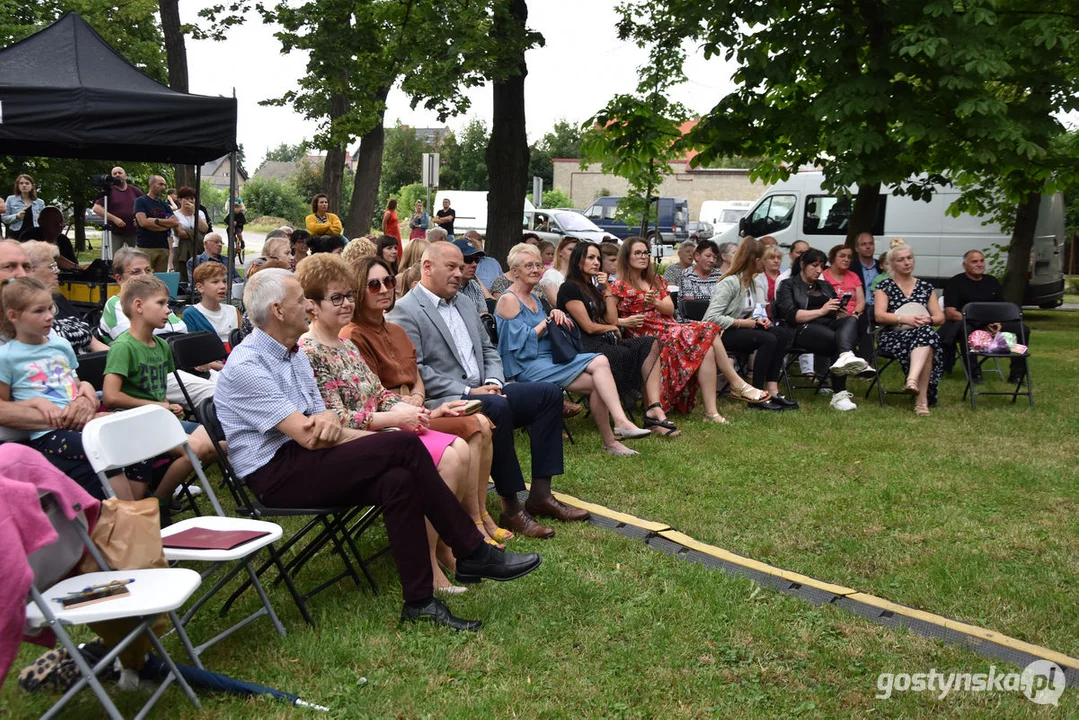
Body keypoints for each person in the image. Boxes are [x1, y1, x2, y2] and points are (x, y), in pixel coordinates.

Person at [217, 268, 542, 631]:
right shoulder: (248, 365)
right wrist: (343, 428)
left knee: (399, 480)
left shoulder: (291, 354)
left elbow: (327, 423)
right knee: (401, 446)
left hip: (305, 456)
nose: (307, 306)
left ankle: (420, 602)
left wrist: (336, 427)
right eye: (300, 301)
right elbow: (309, 434)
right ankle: (472, 550)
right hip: (275, 473)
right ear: (278, 310)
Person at [295, 254, 482, 594]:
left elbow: (380, 394)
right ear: (311, 306)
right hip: (359, 440)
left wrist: (429, 413)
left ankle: (445, 548)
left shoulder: (345, 344)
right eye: (337, 298)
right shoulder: (310, 351)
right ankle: (429, 565)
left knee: (460, 449)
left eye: (348, 295)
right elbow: (337, 418)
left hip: (386, 429)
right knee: (450, 457)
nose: (347, 303)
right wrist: (398, 417)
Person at [389, 242, 587, 539]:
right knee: (496, 408)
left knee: (548, 394)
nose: (460, 273)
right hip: (449, 398)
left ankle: (541, 495)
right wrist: (469, 391)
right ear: (427, 267)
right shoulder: (405, 310)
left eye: (461, 267)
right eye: (452, 267)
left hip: (490, 388)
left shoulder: (466, 302)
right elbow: (417, 370)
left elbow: (489, 351)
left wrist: (494, 383)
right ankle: (511, 507)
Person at [343, 255, 511, 548]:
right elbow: (372, 396)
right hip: (390, 419)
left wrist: (419, 399)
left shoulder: (393, 329)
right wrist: (419, 407)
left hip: (415, 408)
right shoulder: (353, 336)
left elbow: (416, 373)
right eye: (374, 284)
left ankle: (479, 515)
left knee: (483, 421)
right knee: (476, 423)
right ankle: (466, 523)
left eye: (389, 281)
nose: (384, 289)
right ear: (358, 289)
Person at [497, 243, 650, 456]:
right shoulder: (508, 299)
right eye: (528, 266)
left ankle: (611, 441)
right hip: (525, 365)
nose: (535, 270)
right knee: (600, 360)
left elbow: (547, 330)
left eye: (538, 265)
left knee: (598, 381)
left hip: (548, 359)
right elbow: (518, 345)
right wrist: (548, 321)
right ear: (514, 272)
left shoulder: (534, 298)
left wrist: (559, 318)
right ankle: (621, 421)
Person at [0, 277, 140, 500]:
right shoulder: (7, 357)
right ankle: (126, 513)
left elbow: (71, 383)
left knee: (137, 441)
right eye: (38, 311)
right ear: (14, 316)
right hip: (49, 435)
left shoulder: (61, 346)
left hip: (83, 422)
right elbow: (3, 404)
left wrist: (84, 386)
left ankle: (140, 508)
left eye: (50, 308)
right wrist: (35, 402)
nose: (49, 316)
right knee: (104, 449)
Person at [608, 237, 768, 422]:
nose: (643, 257)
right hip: (644, 334)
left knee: (707, 345)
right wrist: (626, 321)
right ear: (626, 257)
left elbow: (669, 309)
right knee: (708, 329)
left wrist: (655, 302)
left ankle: (711, 412)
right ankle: (736, 383)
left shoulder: (656, 281)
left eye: (645, 252)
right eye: (638, 253)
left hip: (668, 327)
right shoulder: (618, 286)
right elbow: (611, 320)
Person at [102, 275, 218, 515]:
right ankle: (160, 501)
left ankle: (160, 488)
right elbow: (111, 397)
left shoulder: (161, 346)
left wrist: (168, 406)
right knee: (195, 450)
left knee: (218, 441)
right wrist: (157, 406)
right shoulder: (124, 347)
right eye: (162, 303)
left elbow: (159, 389)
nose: (168, 310)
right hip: (131, 423)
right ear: (138, 306)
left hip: (159, 420)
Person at [558, 241, 677, 437]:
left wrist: (606, 288)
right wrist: (613, 327)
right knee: (622, 353)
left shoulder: (593, 287)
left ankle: (653, 409)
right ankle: (628, 419)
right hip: (585, 345)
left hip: (605, 340)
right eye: (590, 258)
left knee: (650, 343)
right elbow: (588, 326)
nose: (596, 262)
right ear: (578, 260)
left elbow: (611, 318)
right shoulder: (569, 288)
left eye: (598, 258)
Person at [99, 248, 218, 408]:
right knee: (216, 393)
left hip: (181, 363)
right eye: (136, 272)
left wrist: (204, 360)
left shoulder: (158, 308)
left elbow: (182, 332)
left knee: (233, 387)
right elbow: (138, 345)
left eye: (148, 270)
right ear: (119, 278)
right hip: (152, 371)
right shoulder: (116, 306)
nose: (144, 276)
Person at [774, 248, 875, 412]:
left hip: (826, 324)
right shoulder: (788, 285)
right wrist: (822, 310)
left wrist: (838, 312)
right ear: (802, 264)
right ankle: (840, 392)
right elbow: (792, 316)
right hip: (800, 329)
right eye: (814, 265)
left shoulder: (825, 286)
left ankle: (845, 356)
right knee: (838, 340)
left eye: (821, 266)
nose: (819, 270)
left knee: (850, 319)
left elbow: (833, 313)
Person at [703, 237, 796, 412]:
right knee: (768, 339)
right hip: (722, 334)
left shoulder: (750, 282)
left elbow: (749, 311)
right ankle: (757, 395)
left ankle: (772, 389)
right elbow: (710, 318)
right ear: (756, 260)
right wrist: (743, 323)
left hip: (742, 329)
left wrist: (758, 319)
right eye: (764, 258)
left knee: (781, 334)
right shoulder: (729, 282)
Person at [874, 239, 945, 416]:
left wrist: (926, 319)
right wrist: (905, 319)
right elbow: (880, 316)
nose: (907, 262)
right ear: (891, 264)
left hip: (920, 333)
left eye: (909, 258)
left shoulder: (925, 287)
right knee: (927, 340)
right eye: (901, 259)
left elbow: (940, 317)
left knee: (925, 335)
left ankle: (913, 383)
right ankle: (921, 400)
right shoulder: (884, 286)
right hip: (893, 334)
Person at [939, 249, 1029, 383]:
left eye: (981, 261)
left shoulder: (992, 282)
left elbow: (1002, 308)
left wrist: (1000, 324)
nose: (979, 264)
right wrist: (976, 322)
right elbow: (950, 312)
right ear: (965, 265)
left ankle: (1017, 373)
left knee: (1023, 329)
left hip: (992, 324)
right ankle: (974, 373)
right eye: (974, 261)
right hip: (967, 323)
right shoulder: (955, 283)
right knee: (965, 330)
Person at [22, 241, 108, 355]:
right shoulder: (22, 308)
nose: (57, 271)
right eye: (51, 267)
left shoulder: (58, 298)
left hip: (90, 363)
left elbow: (93, 342)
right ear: (30, 270)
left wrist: (116, 357)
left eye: (56, 266)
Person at [182, 263, 242, 345]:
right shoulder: (191, 314)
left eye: (224, 281)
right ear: (200, 287)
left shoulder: (233, 311)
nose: (223, 286)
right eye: (215, 282)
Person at [92, 167, 144, 253]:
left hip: (134, 232)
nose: (117, 175)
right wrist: (114, 219)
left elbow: (145, 206)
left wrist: (139, 219)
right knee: (115, 258)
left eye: (120, 173)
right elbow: (96, 208)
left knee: (136, 257)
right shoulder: (108, 191)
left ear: (125, 176)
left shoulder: (135, 191)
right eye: (115, 174)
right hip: (115, 233)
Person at [132, 175, 178, 272]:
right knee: (143, 278)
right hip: (145, 247)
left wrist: (155, 220)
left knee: (159, 281)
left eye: (164, 185)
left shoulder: (164, 204)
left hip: (163, 248)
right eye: (160, 184)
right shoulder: (141, 201)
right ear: (151, 184)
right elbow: (143, 222)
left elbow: (174, 222)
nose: (163, 187)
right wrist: (165, 226)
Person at [451, 239, 493, 318]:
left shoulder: (475, 286)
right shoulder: (445, 287)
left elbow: (483, 318)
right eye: (468, 259)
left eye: (477, 260)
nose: (474, 264)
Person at [823, 244, 866, 320]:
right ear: (833, 258)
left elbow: (861, 301)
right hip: (831, 317)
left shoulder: (854, 276)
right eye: (842, 256)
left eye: (849, 257)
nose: (846, 259)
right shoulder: (823, 276)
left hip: (852, 317)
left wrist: (854, 314)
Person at [538, 237, 578, 308]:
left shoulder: (581, 275)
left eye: (577, 250)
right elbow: (557, 304)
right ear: (560, 252)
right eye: (570, 249)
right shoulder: (551, 274)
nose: (575, 252)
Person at [3, 174, 44, 240]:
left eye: (27, 183)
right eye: (21, 183)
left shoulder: (40, 202)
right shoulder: (10, 199)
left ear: (32, 186)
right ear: (18, 186)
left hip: (34, 237)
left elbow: (44, 221)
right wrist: (16, 216)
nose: (24, 185)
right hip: (15, 236)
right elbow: (4, 218)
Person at [757, 243, 783, 316]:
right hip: (766, 319)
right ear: (764, 261)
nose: (776, 261)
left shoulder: (786, 277)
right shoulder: (758, 280)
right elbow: (761, 305)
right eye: (772, 258)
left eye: (779, 258)